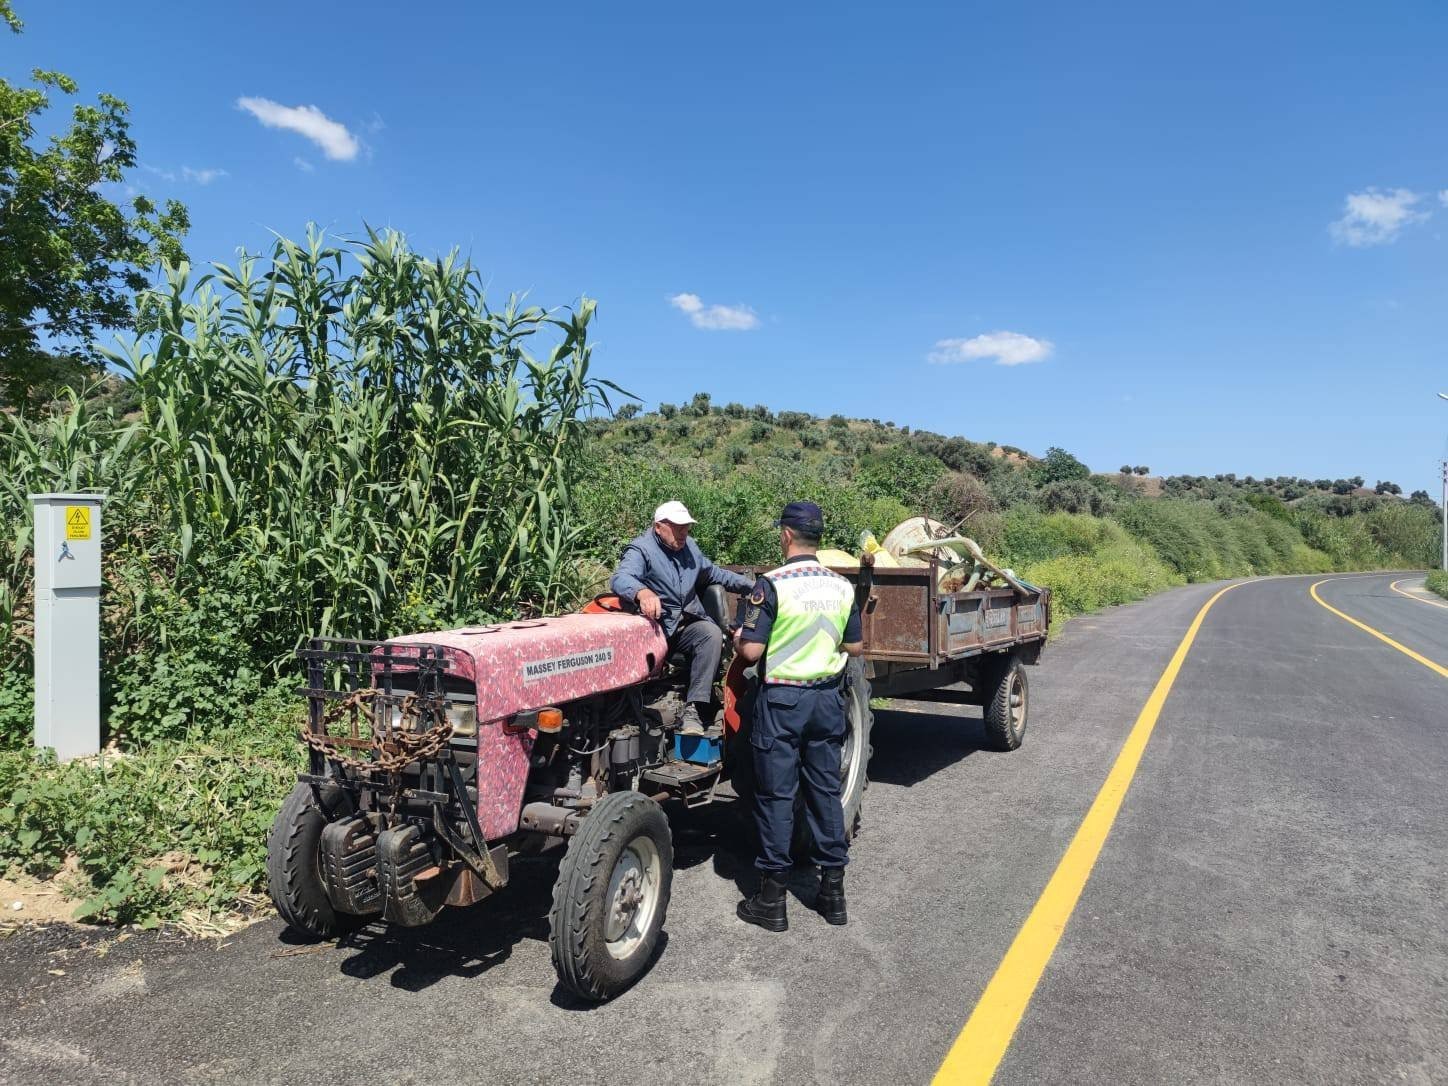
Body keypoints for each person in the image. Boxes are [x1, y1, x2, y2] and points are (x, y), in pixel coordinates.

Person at [733, 500, 863, 933]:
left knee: (777, 796)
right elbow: (856, 648)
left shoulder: (770, 585)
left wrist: (740, 638)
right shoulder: (841, 586)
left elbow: (751, 651)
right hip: (827, 702)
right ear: (816, 537)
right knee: (824, 792)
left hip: (783, 704)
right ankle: (833, 894)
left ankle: (772, 902)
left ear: (786, 535)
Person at [611, 500, 755, 735]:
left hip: (685, 627)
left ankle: (695, 709)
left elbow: (714, 573)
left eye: (686, 527)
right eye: (677, 527)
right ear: (659, 527)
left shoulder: (690, 548)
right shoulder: (641, 550)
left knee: (710, 633)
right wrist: (642, 592)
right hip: (655, 629)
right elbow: (621, 578)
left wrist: (753, 587)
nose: (683, 532)